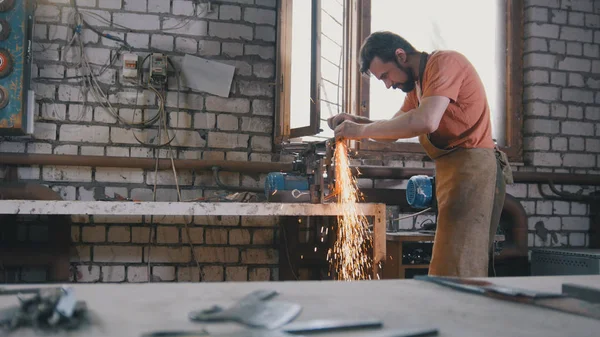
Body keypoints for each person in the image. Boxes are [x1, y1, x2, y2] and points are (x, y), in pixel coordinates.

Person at [327, 31, 512, 278]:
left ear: (401, 56)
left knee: (463, 262)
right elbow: (394, 129)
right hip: (456, 171)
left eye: (386, 75)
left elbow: (425, 121)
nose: (388, 84)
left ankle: (464, 315)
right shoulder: (417, 87)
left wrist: (359, 130)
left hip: (475, 169)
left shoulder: (445, 64)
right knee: (451, 262)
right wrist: (356, 122)